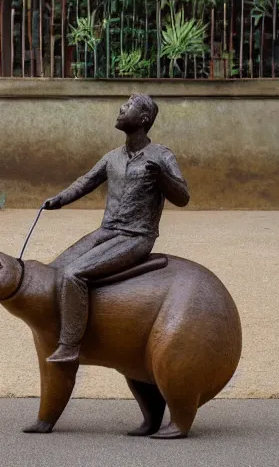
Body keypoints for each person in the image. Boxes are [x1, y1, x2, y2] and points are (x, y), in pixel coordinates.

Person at [44, 94, 190, 363]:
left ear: (144, 118)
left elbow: (183, 197)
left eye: (128, 106)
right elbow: (85, 182)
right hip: (107, 231)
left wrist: (162, 176)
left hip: (136, 236)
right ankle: (58, 327)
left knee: (74, 273)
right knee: (53, 270)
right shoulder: (112, 157)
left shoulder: (161, 155)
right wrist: (59, 199)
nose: (121, 109)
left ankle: (71, 345)